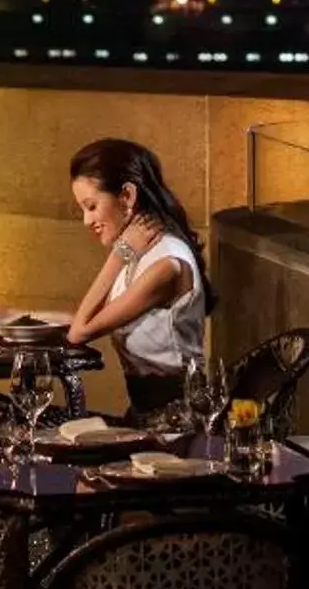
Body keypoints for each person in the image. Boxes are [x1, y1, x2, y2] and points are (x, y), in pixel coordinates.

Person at [64, 136, 209, 417]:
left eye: (91, 206)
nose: (86, 221)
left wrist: (120, 254)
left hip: (177, 422)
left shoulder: (166, 264)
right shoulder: (142, 253)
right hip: (144, 414)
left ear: (127, 196)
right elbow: (85, 319)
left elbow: (79, 332)